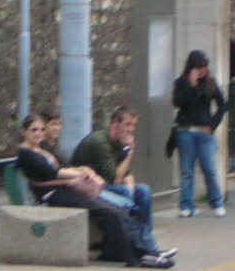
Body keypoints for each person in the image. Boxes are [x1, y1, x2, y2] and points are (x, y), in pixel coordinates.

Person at [14, 114, 174, 268]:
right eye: (34, 130)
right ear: (24, 131)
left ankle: (138, 251)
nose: (38, 134)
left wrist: (82, 171)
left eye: (41, 130)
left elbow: (64, 166)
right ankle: (134, 257)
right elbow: (53, 173)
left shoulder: (43, 149)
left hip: (66, 188)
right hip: (52, 194)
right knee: (108, 211)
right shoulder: (25, 154)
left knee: (117, 210)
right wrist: (81, 174)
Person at [69, 106, 171, 258]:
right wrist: (129, 153)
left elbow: (127, 175)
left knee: (143, 190)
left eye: (134, 125)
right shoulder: (100, 142)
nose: (132, 130)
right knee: (124, 192)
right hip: (87, 189)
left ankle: (148, 244)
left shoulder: (119, 142)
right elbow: (115, 178)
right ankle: (139, 246)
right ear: (115, 124)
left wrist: (130, 186)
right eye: (128, 125)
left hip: (104, 186)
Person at [172, 49, 227, 217]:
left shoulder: (210, 83)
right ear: (191, 67)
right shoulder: (181, 82)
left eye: (204, 67)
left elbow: (222, 105)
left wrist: (213, 124)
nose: (202, 71)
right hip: (186, 131)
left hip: (205, 132)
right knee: (186, 171)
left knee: (209, 168)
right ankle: (186, 205)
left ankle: (217, 201)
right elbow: (178, 103)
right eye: (199, 67)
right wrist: (191, 85)